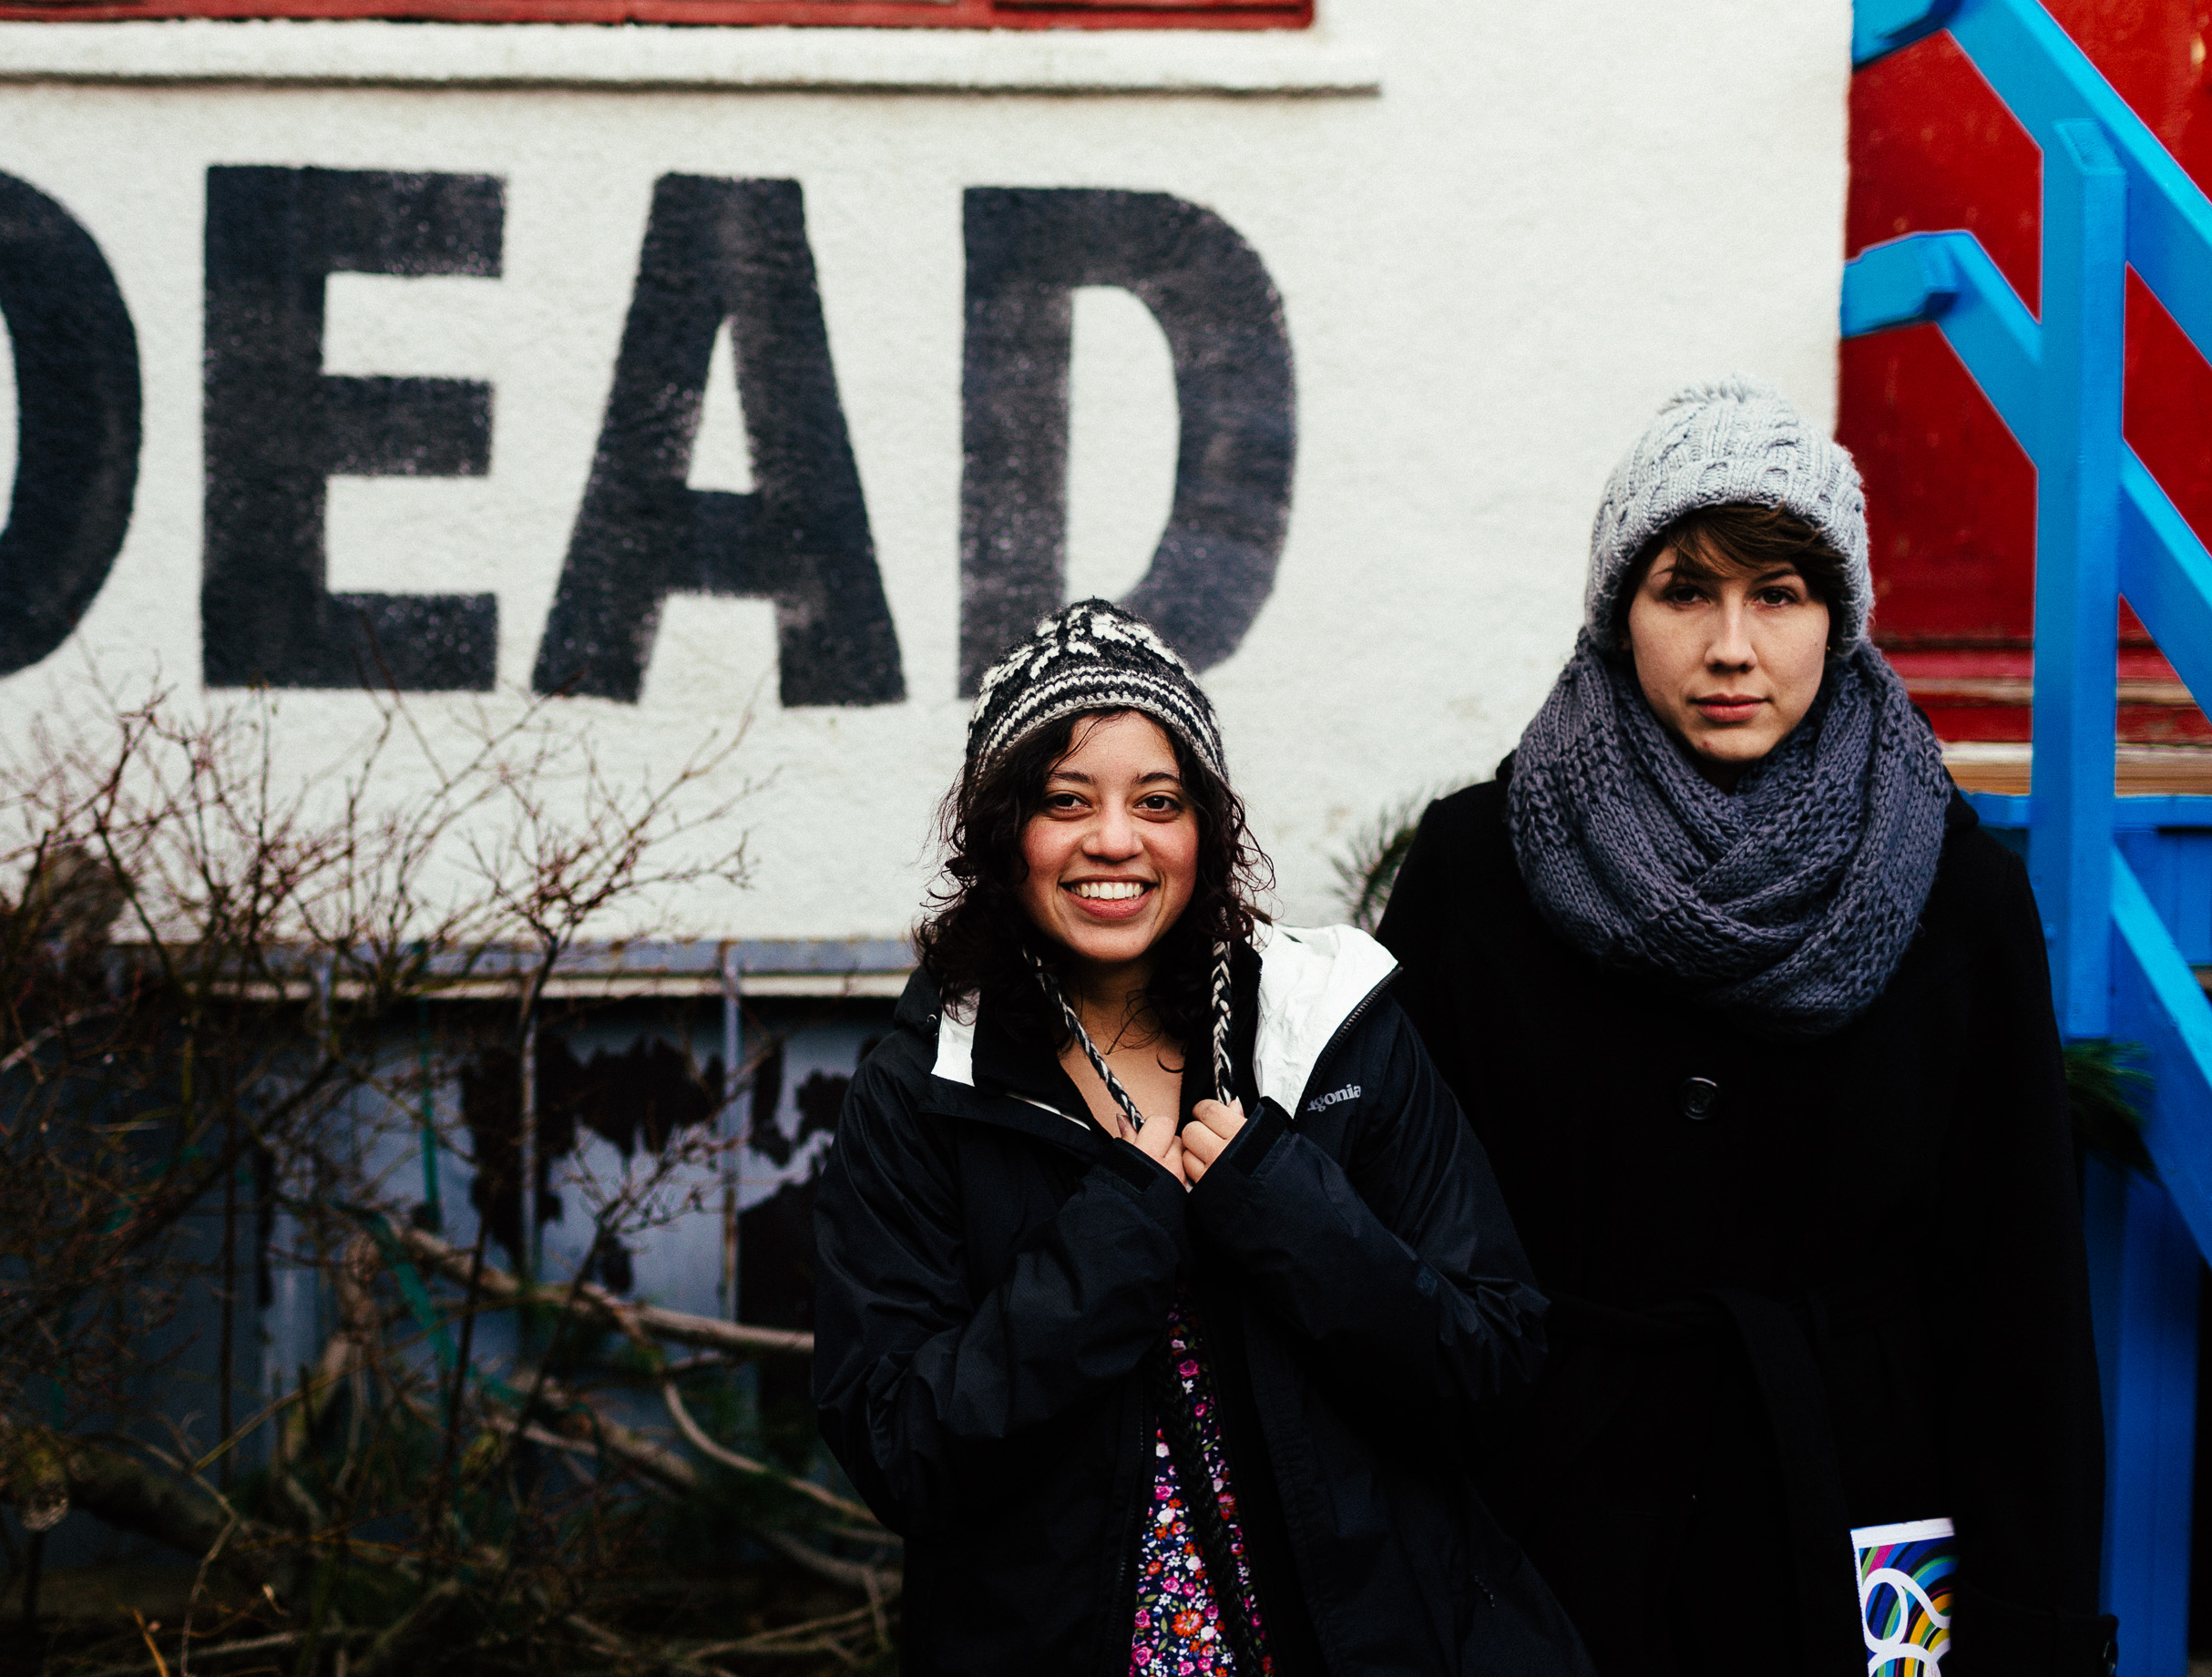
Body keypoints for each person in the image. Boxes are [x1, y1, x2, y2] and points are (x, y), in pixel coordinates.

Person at [1375, 377, 2113, 1677]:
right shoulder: (1476, 871)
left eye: (1779, 594)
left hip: (1861, 1519)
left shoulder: (1955, 891)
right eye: (1685, 592)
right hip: (1545, 1524)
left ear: (1840, 616)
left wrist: (2028, 1627)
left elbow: (2020, 1297)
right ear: (1620, 611)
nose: (1732, 647)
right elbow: (1393, 1253)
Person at [813, 599, 1592, 1677]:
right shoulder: (926, 1087)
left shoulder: (1331, 1034)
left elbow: (1493, 1363)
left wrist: (1287, 1208)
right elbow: (899, 1449)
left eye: (1158, 799)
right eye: (1065, 800)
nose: (1115, 838)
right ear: (1004, 832)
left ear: (1204, 828)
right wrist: (1111, 1246)